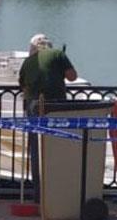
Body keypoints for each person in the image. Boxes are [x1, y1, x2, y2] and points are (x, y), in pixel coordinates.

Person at [17, 33, 77, 193]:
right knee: (58, 144)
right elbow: (72, 77)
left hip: (32, 106)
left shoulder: (28, 62)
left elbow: (23, 87)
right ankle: (58, 189)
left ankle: (39, 192)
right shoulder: (58, 54)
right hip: (55, 105)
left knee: (36, 148)